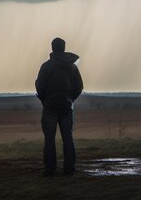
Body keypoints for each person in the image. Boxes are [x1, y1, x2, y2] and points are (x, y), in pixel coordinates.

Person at [35, 37, 84, 177]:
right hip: (66, 107)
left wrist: (45, 100)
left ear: (52, 48)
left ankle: (50, 169)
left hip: (50, 108)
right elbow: (79, 87)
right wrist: (70, 99)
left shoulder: (46, 67)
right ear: (64, 47)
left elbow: (40, 87)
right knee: (68, 138)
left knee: (49, 139)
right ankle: (69, 168)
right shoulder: (72, 67)